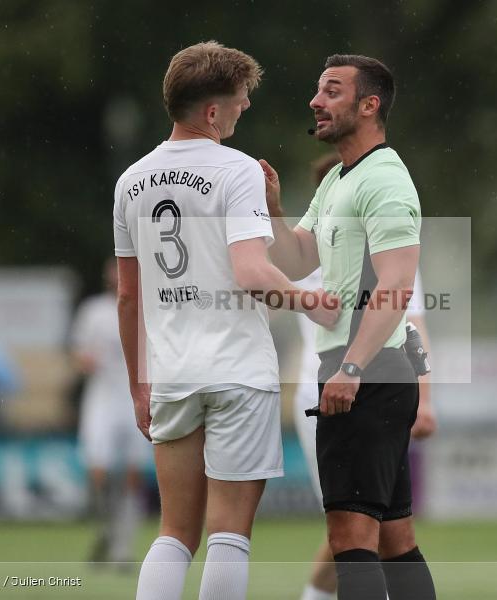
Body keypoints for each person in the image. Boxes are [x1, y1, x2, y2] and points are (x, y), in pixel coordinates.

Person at [112, 41, 339, 600]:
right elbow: (252, 272)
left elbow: (128, 298)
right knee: (229, 535)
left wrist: (139, 383)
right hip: (237, 370)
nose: (244, 108)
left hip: (171, 372)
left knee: (173, 534)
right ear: (212, 113)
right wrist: (313, 302)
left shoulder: (130, 182)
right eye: (239, 100)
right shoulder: (237, 171)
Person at [261, 55, 437, 599]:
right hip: (366, 371)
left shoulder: (384, 180)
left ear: (369, 105)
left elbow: (396, 287)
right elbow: (294, 260)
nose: (316, 100)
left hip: (366, 371)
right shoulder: (339, 177)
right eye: (318, 90)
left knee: (349, 536)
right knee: (393, 537)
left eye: (332, 91)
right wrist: (272, 210)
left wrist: (353, 367)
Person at [292, 155, 437, 600]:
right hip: (335, 386)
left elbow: (411, 326)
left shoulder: (379, 243)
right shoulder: (323, 247)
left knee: (360, 526)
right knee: (367, 528)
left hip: (359, 383)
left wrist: (424, 399)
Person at [71, 259, 151, 567]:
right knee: (99, 470)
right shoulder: (93, 311)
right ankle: (107, 528)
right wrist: (84, 360)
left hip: (135, 397)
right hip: (102, 399)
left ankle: (123, 546)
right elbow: (77, 351)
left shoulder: (148, 309)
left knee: (133, 475)